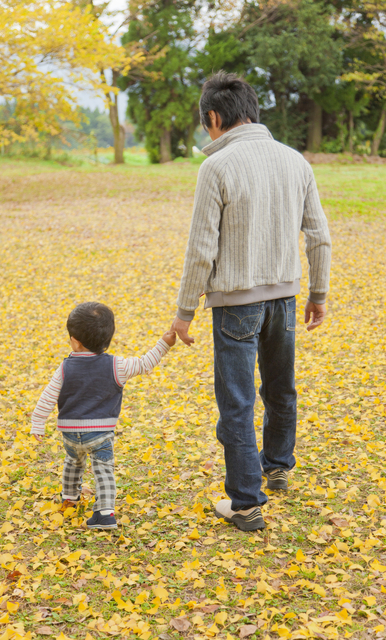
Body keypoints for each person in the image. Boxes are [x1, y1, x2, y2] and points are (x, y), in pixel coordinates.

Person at [171, 71, 332, 532]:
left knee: (237, 403)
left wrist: (184, 313)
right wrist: (318, 293)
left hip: (234, 302)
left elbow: (201, 248)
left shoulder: (216, 167)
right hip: (284, 298)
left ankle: (245, 502)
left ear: (214, 117)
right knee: (281, 388)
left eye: (206, 123)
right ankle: (278, 466)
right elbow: (319, 236)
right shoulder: (295, 161)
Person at [31, 301, 176, 529]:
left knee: (73, 461)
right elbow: (146, 363)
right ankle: (105, 514)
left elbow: (47, 396)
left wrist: (38, 423)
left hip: (70, 432)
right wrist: (164, 344)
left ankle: (69, 497)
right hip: (100, 434)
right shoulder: (117, 366)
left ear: (74, 341)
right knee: (103, 470)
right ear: (108, 338)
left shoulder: (65, 367)